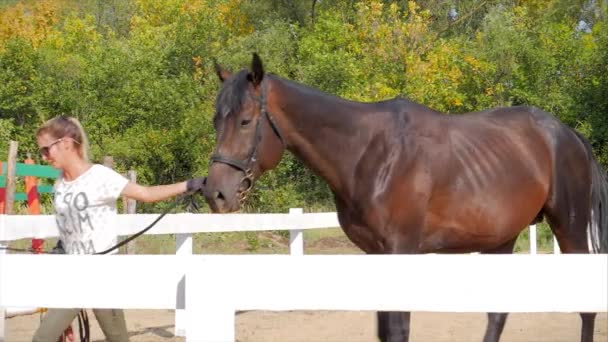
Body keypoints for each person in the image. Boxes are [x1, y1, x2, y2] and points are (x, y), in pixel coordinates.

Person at [33, 115, 206, 342]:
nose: (44, 157)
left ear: (65, 143)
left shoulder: (99, 176)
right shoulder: (60, 183)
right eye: (41, 152)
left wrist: (188, 185)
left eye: (46, 150)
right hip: (73, 274)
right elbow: (68, 228)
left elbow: (146, 194)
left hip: (101, 274)